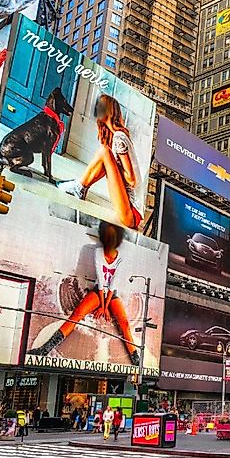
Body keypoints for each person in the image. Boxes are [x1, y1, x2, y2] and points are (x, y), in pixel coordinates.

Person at [28, 222, 140, 365]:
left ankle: (136, 359)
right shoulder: (98, 252)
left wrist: (105, 307)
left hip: (112, 293)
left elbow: (114, 284)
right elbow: (100, 278)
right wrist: (101, 304)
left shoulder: (121, 257)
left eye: (113, 236)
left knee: (124, 323)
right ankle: (45, 349)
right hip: (98, 291)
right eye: (108, 235)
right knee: (76, 315)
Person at [57, 94, 143, 229]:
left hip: (131, 214)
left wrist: (113, 167)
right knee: (105, 153)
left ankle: (79, 187)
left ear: (109, 110)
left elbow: (131, 180)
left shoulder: (119, 138)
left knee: (105, 152)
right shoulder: (118, 136)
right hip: (129, 210)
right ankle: (80, 187)